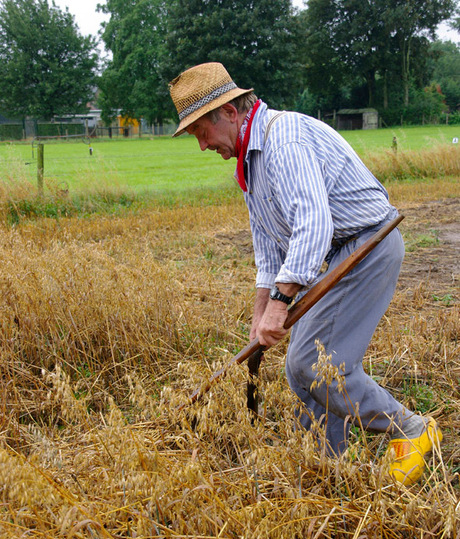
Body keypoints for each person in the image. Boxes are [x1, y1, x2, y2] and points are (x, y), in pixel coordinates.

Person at [168, 62, 442, 486]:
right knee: (302, 369)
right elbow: (269, 248)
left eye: (201, 132)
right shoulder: (250, 165)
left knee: (314, 363)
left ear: (228, 113)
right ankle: (326, 469)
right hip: (335, 255)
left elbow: (314, 223)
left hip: (366, 245)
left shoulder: (284, 139)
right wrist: (262, 312)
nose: (202, 145)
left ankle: (410, 429)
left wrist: (281, 303)